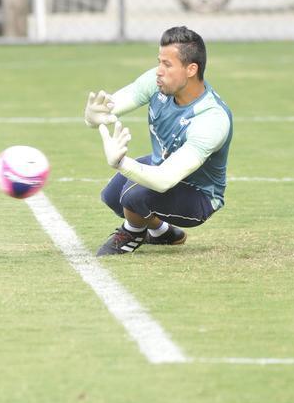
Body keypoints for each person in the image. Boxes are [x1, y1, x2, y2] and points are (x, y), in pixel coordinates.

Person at [84, 26, 233, 257]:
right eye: (159, 62)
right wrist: (93, 117)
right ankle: (161, 232)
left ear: (191, 69)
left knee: (132, 196)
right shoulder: (157, 83)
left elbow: (164, 180)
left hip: (198, 194)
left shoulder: (211, 119)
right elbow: (113, 106)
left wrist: (122, 163)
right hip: (164, 165)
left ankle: (132, 232)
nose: (159, 71)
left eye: (168, 64)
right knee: (112, 196)